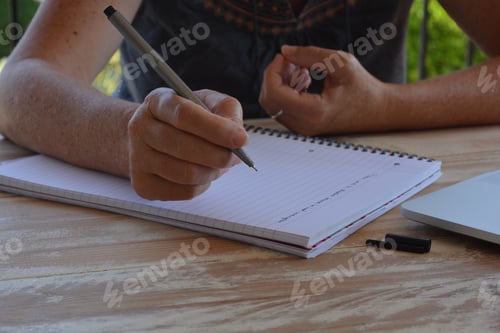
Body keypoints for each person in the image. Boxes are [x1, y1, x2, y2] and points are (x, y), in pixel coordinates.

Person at [0, 0, 499, 201]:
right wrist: (133, 135)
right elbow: (19, 84)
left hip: (374, 220)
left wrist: (386, 105)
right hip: (157, 222)